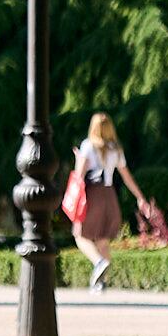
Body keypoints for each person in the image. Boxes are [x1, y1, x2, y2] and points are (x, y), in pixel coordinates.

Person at [66, 112, 154, 288]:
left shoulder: (88, 146)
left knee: (79, 234)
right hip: (109, 195)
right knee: (103, 240)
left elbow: (79, 175)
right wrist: (140, 198)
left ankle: (98, 262)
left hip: (92, 195)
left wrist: (78, 160)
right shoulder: (116, 149)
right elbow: (126, 176)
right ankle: (101, 283)